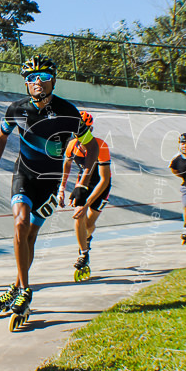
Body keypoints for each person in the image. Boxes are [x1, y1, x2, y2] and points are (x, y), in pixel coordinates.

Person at [0, 56, 99, 330]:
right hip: (23, 175)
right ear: (25, 83)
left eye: (43, 77)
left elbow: (90, 148)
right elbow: (1, 137)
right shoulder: (16, 109)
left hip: (49, 182)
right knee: (20, 224)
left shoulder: (68, 112)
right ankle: (25, 290)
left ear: (53, 81)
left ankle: (17, 284)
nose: (37, 82)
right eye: (31, 78)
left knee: (29, 237)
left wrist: (82, 183)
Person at [59, 111, 112, 280]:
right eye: (77, 131)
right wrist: (62, 188)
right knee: (77, 218)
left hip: (100, 186)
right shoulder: (72, 144)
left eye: (84, 130)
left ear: (90, 130)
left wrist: (87, 205)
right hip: (83, 183)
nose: (80, 135)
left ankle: (87, 239)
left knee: (89, 224)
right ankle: (83, 253)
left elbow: (104, 180)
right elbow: (66, 166)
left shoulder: (100, 146)